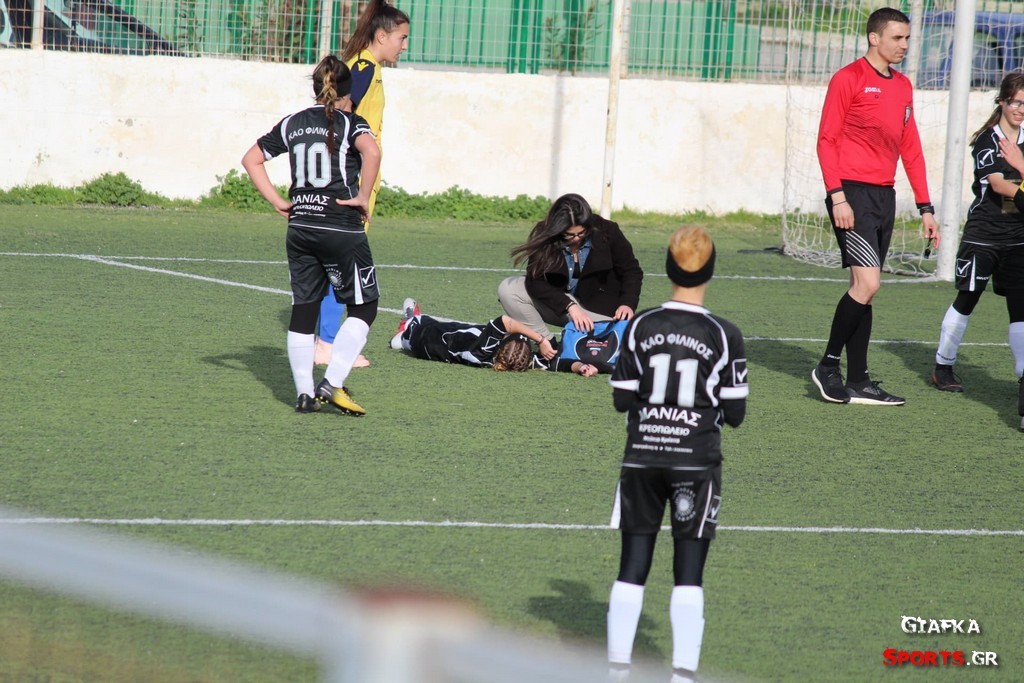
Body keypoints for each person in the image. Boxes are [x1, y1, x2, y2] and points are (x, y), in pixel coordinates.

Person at [606, 226, 747, 683]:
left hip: (642, 457)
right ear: (711, 270)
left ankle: (617, 671)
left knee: (632, 567)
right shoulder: (725, 334)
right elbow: (736, 414)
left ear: (668, 268)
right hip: (696, 462)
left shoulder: (641, 325)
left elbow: (621, 399)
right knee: (689, 573)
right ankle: (683, 676)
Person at [811, 7, 940, 406]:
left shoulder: (903, 85)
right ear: (874, 37)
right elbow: (826, 140)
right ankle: (827, 367)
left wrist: (925, 207)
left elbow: (910, 147)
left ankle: (859, 380)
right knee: (868, 284)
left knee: (863, 289)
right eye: (897, 38)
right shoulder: (848, 78)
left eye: (907, 38)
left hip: (885, 197)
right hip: (852, 194)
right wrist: (837, 196)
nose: (904, 45)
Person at [241, 55, 381, 415]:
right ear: (348, 93)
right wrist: (363, 196)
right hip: (340, 225)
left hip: (301, 226)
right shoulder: (352, 122)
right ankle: (331, 383)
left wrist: (278, 201)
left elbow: (251, 159)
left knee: (304, 309)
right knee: (364, 307)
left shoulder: (293, 122)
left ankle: (304, 393)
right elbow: (372, 151)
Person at [315, 0, 411, 367]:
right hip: (352, 184)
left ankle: (324, 340)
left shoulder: (368, 67)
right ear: (382, 36)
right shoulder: (363, 69)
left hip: (356, 181)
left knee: (339, 262)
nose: (404, 46)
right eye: (401, 38)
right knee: (342, 263)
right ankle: (326, 343)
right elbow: (337, 112)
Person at [931, 71, 1024, 430]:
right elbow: (1000, 185)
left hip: (1019, 237)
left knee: (1020, 306)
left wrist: (1021, 164)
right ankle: (943, 365)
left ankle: (1022, 377)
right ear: (1001, 101)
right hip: (984, 235)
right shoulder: (987, 140)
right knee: (968, 297)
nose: (1019, 109)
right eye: (1014, 101)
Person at [498, 193, 643, 346]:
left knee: (614, 346)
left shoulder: (608, 231)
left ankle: (594, 336)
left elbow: (631, 271)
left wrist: (627, 303)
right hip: (562, 307)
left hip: (600, 314)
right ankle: (548, 345)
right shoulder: (544, 233)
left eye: (581, 233)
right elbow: (535, 281)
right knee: (509, 289)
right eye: (569, 235)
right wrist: (569, 306)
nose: (576, 238)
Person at [388, 298, 602, 376]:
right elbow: (558, 364)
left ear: (501, 344)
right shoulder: (516, 361)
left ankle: (408, 323)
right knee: (457, 330)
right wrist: (580, 366)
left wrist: (540, 339)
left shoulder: (483, 349)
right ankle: (404, 334)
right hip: (428, 346)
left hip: (424, 336)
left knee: (420, 320)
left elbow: (506, 321)